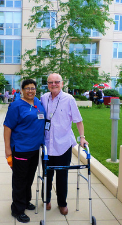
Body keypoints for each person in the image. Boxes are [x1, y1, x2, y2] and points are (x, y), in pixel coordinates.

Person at [40, 73, 88, 216]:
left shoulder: (69, 99)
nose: (53, 84)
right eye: (50, 82)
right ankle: (46, 200)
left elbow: (78, 120)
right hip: (48, 144)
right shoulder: (43, 98)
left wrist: (82, 137)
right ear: (47, 84)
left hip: (63, 144)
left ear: (62, 83)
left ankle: (62, 203)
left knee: (62, 175)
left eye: (56, 82)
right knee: (47, 174)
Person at [4, 79, 46, 223]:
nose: (30, 91)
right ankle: (17, 209)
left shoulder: (38, 103)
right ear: (21, 90)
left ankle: (25, 201)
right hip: (21, 149)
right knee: (19, 180)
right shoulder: (16, 106)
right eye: (27, 88)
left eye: (33, 88)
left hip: (35, 149)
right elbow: (7, 127)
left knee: (29, 178)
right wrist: (7, 148)